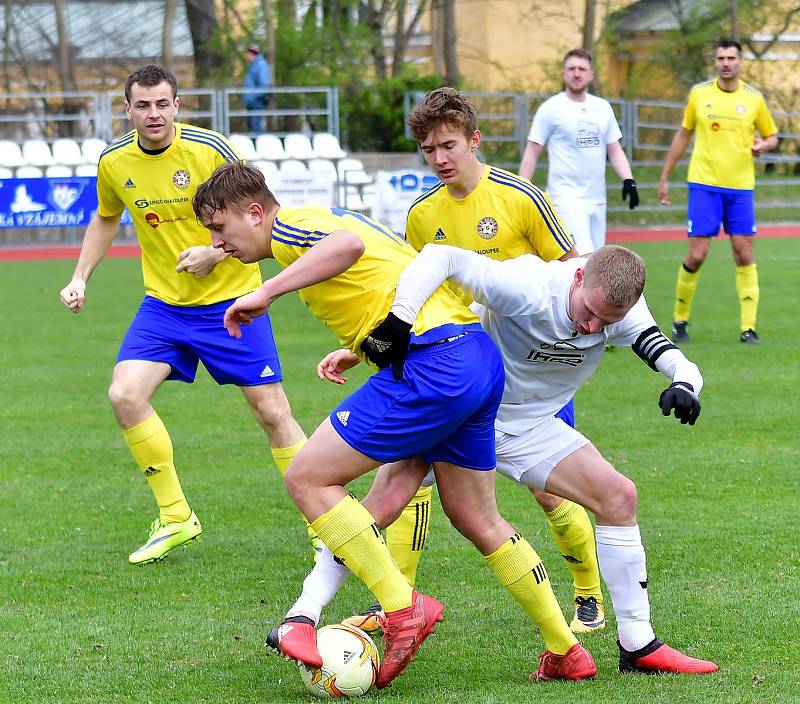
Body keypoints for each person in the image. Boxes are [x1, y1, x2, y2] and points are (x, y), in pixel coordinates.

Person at [192, 161, 598, 686]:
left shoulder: (291, 226)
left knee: (308, 476)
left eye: (220, 228)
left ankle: (401, 607)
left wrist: (266, 293)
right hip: (472, 359)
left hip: (434, 367)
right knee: (473, 516)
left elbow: (346, 250)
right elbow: (386, 277)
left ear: (254, 212)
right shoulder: (321, 221)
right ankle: (566, 649)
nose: (218, 243)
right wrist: (360, 350)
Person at [292, 244, 719, 676]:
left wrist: (684, 385)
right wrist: (397, 323)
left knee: (618, 496)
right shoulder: (529, 287)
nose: (593, 328)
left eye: (606, 322)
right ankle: (303, 613)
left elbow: (673, 358)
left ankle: (637, 643)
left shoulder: (617, 308)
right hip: (465, 410)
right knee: (387, 503)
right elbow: (442, 258)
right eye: (589, 312)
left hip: (530, 424)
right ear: (577, 277)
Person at [345, 86, 606, 638]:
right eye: (429, 149)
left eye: (449, 145)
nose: (440, 158)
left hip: (529, 368)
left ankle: (587, 592)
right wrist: (359, 347)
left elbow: (574, 272)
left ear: (474, 140)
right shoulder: (421, 216)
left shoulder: (519, 196)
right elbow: (416, 293)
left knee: (546, 488)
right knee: (412, 475)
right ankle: (396, 606)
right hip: (456, 365)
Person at [58, 65, 309, 566]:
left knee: (273, 413)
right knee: (125, 395)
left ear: (178, 105)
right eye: (143, 105)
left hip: (233, 300)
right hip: (165, 307)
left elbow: (259, 213)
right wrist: (80, 275)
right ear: (127, 109)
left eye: (162, 104)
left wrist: (215, 254)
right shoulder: (114, 161)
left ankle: (324, 523)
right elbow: (107, 217)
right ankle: (176, 516)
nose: (154, 114)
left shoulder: (210, 149)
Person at [659, 39, 778, 345]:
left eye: (731, 58)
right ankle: (679, 322)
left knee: (744, 253)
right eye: (721, 58)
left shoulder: (753, 99)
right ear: (715, 62)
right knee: (697, 255)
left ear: (740, 62)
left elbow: (772, 136)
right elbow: (683, 134)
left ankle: (748, 329)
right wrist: (664, 176)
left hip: (740, 188)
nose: (726, 62)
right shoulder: (700, 94)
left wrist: (762, 146)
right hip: (704, 185)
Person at [518, 49, 639, 255]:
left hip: (597, 199)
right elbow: (532, 152)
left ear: (591, 74)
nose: (576, 73)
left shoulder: (602, 107)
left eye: (582, 69)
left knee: (598, 260)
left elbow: (615, 150)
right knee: (584, 259)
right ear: (563, 73)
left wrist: (629, 180)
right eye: (571, 68)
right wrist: (521, 192)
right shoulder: (551, 108)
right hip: (565, 198)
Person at [243, 45, 270, 135]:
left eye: (250, 53)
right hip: (251, 103)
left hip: (257, 103)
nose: (247, 55)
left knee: (257, 128)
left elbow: (264, 85)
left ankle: (263, 146)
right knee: (252, 127)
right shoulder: (253, 65)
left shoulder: (261, 65)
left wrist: (253, 97)